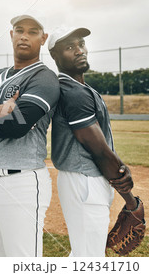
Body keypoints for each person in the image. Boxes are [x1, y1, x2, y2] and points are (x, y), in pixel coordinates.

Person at [48, 26, 140, 256]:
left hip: (86, 181)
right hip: (85, 182)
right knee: (90, 259)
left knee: (83, 254)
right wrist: (130, 202)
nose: (80, 50)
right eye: (70, 47)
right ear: (55, 56)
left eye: (81, 44)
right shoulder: (73, 92)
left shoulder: (79, 88)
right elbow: (99, 150)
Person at [0, 15, 60, 257]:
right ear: (10, 35)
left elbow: (15, 127)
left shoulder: (44, 78)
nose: (24, 35)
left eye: (33, 31)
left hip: (21, 181)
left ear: (43, 39)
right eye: (19, 30)